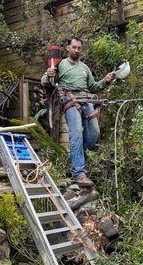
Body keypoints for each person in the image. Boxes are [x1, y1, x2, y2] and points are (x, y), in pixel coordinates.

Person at [41, 37, 114, 187]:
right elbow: (45, 81)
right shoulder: (60, 65)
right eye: (74, 47)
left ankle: (78, 157)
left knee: (94, 134)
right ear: (68, 48)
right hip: (70, 100)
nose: (77, 50)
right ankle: (78, 174)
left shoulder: (85, 67)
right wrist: (49, 74)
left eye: (79, 48)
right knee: (76, 134)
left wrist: (105, 81)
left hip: (87, 100)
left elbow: (93, 87)